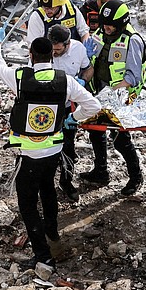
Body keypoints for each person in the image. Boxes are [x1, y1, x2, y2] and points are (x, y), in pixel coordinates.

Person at [0, 28, 100, 276]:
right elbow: (93, 104)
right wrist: (72, 118)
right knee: (48, 191)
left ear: (30, 55)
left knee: (27, 205)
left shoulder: (19, 77)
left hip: (28, 153)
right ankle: (53, 237)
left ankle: (44, 257)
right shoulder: (65, 80)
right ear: (52, 54)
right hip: (53, 150)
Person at [79, 0, 145, 197]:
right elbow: (92, 59)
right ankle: (101, 171)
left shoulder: (132, 40)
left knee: (120, 139)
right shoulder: (100, 33)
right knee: (95, 132)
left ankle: (135, 176)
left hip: (120, 96)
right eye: (104, 24)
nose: (106, 28)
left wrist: (111, 94)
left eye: (110, 25)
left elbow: (133, 78)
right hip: (98, 91)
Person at [47, 25, 94, 203]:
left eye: (58, 50)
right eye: (52, 49)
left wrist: (82, 81)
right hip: (48, 106)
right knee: (46, 148)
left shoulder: (78, 49)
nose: (54, 53)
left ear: (67, 44)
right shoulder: (42, 49)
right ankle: (45, 183)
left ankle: (66, 182)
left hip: (68, 107)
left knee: (68, 147)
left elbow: (88, 69)